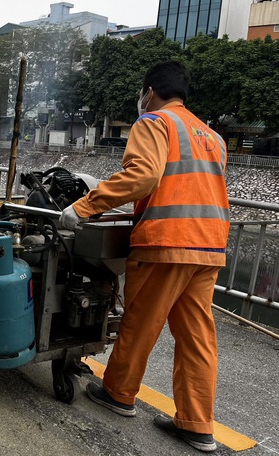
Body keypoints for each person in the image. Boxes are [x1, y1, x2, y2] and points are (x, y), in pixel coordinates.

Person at [59, 61, 229, 453]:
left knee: (140, 321)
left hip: (167, 242)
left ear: (150, 91)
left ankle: (118, 393)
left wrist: (85, 206)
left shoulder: (155, 123)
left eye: (142, 93)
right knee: (197, 337)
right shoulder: (213, 137)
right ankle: (197, 423)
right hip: (209, 247)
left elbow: (143, 176)